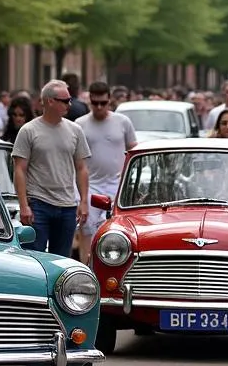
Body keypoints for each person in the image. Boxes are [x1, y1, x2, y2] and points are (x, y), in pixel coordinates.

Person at [12, 80, 91, 257]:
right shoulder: (28, 130)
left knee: (62, 260)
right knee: (36, 258)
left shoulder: (75, 130)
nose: (69, 104)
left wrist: (84, 201)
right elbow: (19, 169)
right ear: (49, 101)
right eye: (65, 100)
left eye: (70, 100)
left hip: (67, 205)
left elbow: (81, 168)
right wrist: (23, 205)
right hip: (39, 204)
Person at [75, 81, 136, 263]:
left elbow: (133, 149)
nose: (99, 107)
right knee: (86, 230)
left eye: (103, 103)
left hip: (117, 184)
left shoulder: (123, 121)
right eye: (95, 103)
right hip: (90, 185)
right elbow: (76, 161)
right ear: (90, 102)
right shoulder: (80, 124)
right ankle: (86, 268)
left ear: (110, 101)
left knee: (117, 230)